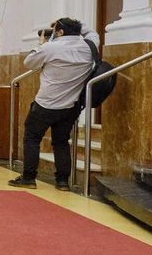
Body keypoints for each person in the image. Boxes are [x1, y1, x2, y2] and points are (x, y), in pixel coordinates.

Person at [10, 17, 98, 190]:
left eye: (56, 30)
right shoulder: (89, 46)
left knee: (32, 137)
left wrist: (43, 42)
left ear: (60, 32)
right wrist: (74, 27)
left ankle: (28, 178)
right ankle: (62, 181)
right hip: (70, 106)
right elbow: (92, 33)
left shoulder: (50, 47)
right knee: (61, 141)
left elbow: (29, 62)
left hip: (45, 104)